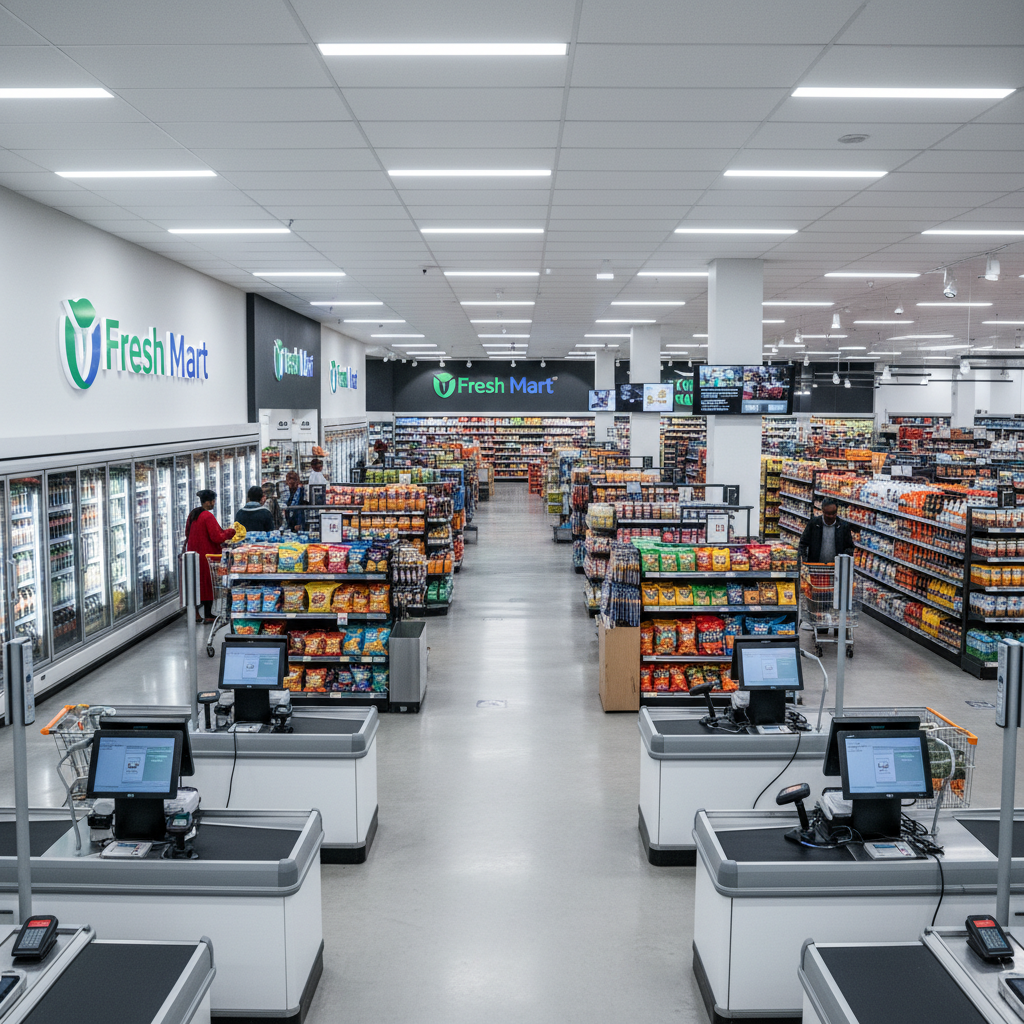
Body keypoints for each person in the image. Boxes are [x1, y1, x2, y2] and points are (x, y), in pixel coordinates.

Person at [184, 489, 236, 622]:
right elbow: (216, 537)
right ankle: (208, 615)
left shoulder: (193, 514)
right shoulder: (207, 516)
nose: (214, 503)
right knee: (209, 585)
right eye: (213, 501)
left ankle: (195, 613)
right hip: (207, 555)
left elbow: (187, 533)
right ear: (208, 502)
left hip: (193, 555)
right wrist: (231, 532)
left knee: (196, 584)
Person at [798, 499, 856, 564]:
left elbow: (849, 547)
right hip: (815, 566)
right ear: (823, 511)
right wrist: (804, 560)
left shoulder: (843, 526)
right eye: (828, 514)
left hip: (836, 567)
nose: (831, 516)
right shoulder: (814, 524)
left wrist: (843, 560)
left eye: (833, 513)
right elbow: (803, 543)